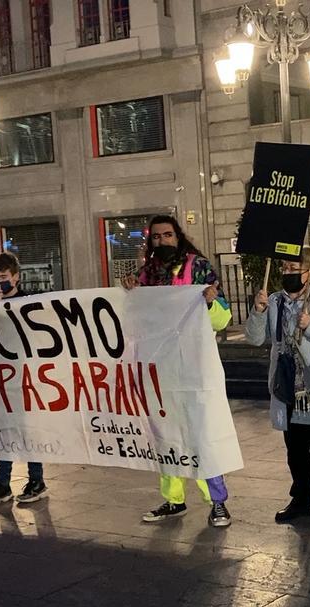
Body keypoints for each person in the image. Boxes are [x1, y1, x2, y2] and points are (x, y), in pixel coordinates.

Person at [122, 215, 234, 527]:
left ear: (178, 236)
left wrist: (211, 304)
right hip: (159, 372)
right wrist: (129, 291)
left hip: (194, 370)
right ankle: (174, 500)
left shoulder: (197, 268)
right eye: (156, 237)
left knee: (201, 435)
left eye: (167, 235)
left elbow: (222, 320)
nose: (161, 241)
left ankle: (217, 502)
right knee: (164, 435)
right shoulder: (145, 274)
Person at [245, 247, 310, 529]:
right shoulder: (275, 301)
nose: (288, 274)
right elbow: (255, 339)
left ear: (309, 272)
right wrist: (258, 312)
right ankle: (301, 500)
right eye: (284, 268)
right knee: (295, 451)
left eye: (294, 270)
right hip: (286, 387)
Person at [0, 253, 48, 506]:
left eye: (3, 277)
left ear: (16, 277)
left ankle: (34, 479)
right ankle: (4, 482)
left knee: (24, 427)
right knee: (3, 427)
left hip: (22, 373)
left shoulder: (26, 303)